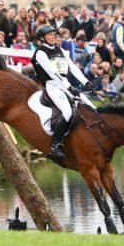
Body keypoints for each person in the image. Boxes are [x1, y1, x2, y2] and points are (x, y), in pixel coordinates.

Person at [30, 25, 94, 159]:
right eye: (49, 35)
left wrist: (86, 82)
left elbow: (73, 68)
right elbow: (53, 74)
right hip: (52, 85)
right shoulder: (41, 53)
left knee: (91, 107)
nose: (53, 36)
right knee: (67, 111)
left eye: (54, 34)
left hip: (65, 84)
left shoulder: (62, 51)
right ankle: (55, 145)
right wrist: (68, 87)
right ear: (42, 38)